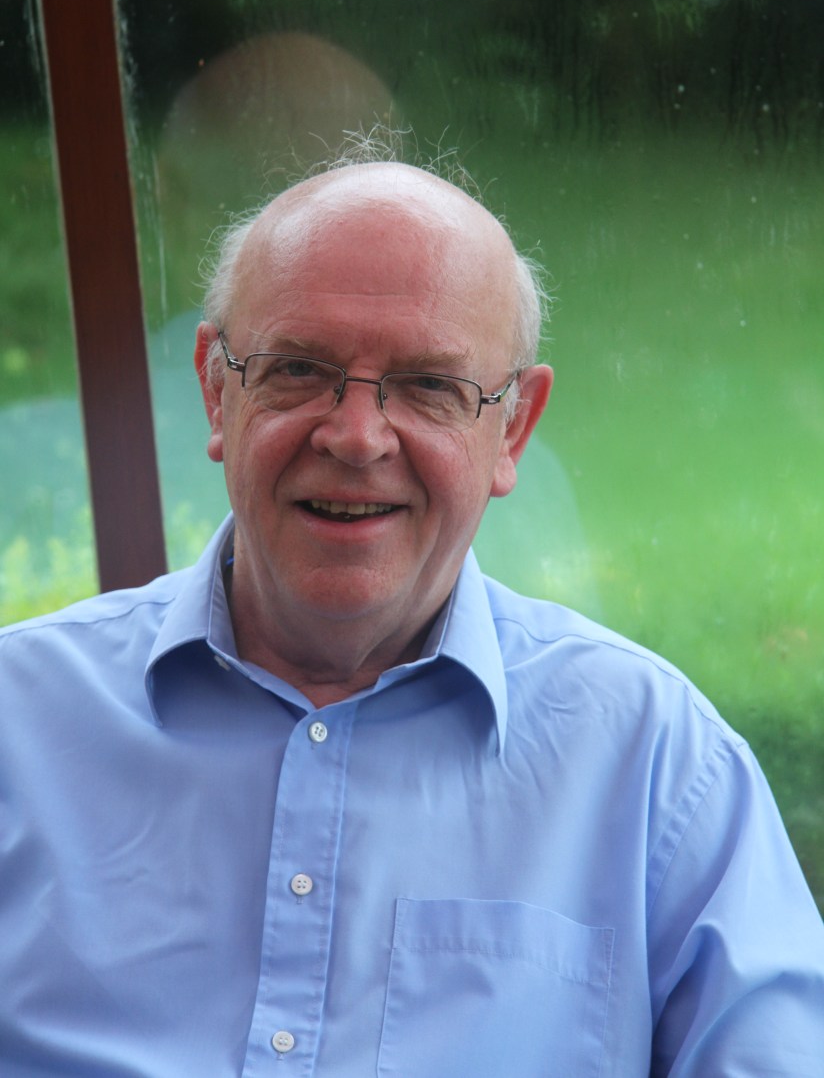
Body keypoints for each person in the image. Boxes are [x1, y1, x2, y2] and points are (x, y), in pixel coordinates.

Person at [1, 147, 822, 1077]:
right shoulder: (18, 727)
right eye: (298, 368)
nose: (356, 437)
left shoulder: (657, 766)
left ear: (512, 427)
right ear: (217, 390)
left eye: (431, 385)